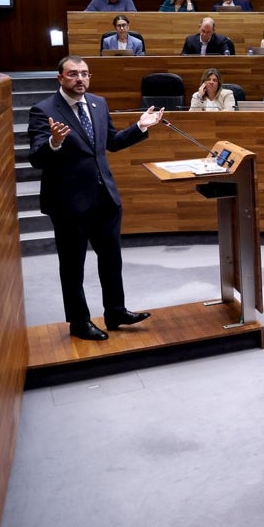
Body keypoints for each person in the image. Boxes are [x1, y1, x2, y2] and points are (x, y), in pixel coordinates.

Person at [27, 55, 164, 340]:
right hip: (68, 203)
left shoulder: (98, 104)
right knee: (73, 266)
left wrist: (141, 126)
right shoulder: (43, 110)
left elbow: (111, 143)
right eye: (73, 74)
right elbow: (36, 158)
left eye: (85, 74)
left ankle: (115, 311)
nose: (81, 79)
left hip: (104, 197)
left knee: (111, 259)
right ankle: (79, 322)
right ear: (60, 78)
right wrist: (54, 142)